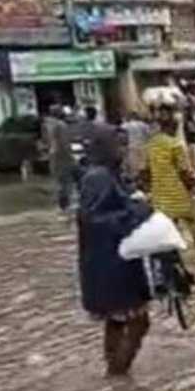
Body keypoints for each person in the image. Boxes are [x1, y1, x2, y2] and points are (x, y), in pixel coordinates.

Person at [77, 129, 153, 376]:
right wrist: (138, 211)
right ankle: (119, 375)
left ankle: (115, 373)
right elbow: (95, 220)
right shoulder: (98, 178)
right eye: (119, 146)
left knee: (117, 320)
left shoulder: (108, 175)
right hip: (111, 266)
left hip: (113, 263)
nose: (124, 151)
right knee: (139, 322)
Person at [142, 107, 195, 247]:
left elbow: (145, 170)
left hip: (159, 194)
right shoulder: (175, 145)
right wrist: (192, 184)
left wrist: (148, 190)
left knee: (168, 229)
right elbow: (183, 170)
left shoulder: (151, 145)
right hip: (178, 192)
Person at [44, 104, 78, 212]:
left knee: (59, 181)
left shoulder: (47, 125)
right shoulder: (61, 125)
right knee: (66, 181)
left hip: (53, 156)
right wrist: (71, 156)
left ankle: (61, 204)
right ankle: (66, 205)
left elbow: (47, 141)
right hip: (62, 156)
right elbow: (65, 143)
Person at [120, 111, 151, 185]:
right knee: (142, 166)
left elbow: (122, 138)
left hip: (131, 148)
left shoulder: (125, 125)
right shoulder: (144, 125)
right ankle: (141, 182)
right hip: (143, 147)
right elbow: (149, 136)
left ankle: (134, 183)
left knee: (132, 168)